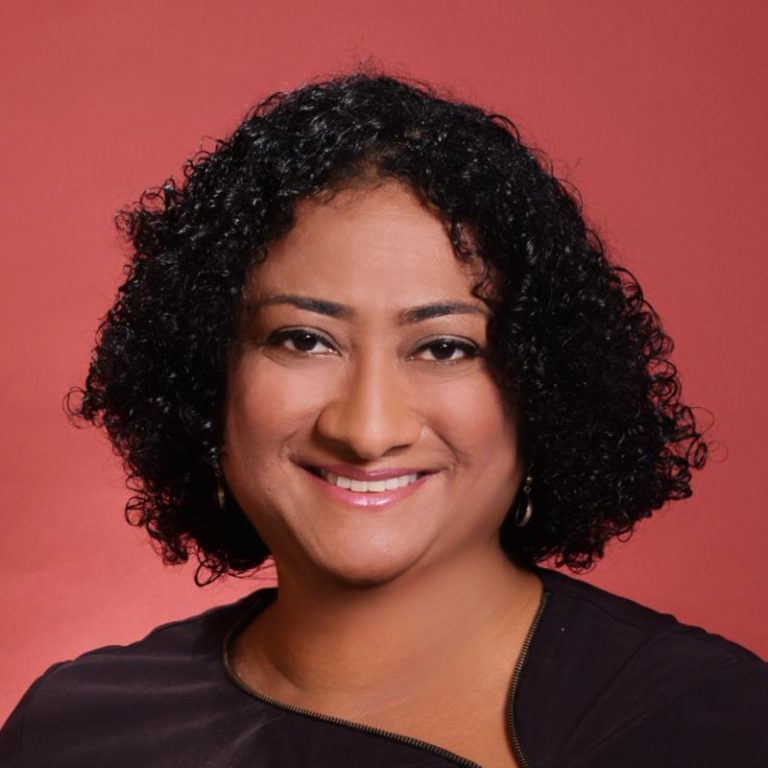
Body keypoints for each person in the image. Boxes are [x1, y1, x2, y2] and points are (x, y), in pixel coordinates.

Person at [1, 71, 766, 768]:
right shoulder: (72, 733)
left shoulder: (699, 723)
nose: (367, 430)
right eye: (303, 339)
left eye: (443, 347)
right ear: (210, 374)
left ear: (542, 387)